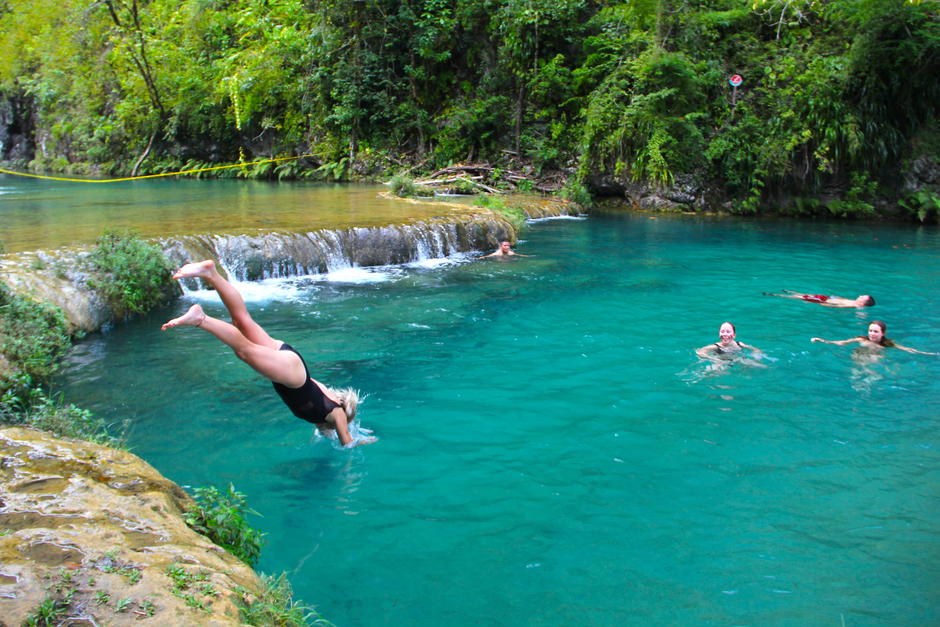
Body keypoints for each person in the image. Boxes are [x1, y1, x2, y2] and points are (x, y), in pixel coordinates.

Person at [161, 260, 376, 447]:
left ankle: (211, 273)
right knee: (245, 351)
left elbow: (326, 430)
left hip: (290, 360)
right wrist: (358, 445)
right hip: (292, 375)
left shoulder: (325, 406)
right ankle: (201, 319)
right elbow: (346, 442)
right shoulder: (337, 412)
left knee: (242, 321)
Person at [811, 320, 938, 355]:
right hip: (860, 354)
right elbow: (842, 343)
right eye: (870, 330)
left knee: (874, 361)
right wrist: (822, 340)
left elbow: (908, 349)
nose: (872, 333)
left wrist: (929, 353)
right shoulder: (861, 339)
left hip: (875, 356)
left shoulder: (887, 344)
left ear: (883, 333)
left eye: (876, 331)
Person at [696, 321, 763, 360]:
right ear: (719, 334)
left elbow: (756, 349)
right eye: (722, 331)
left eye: (728, 332)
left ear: (734, 335)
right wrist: (714, 360)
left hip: (737, 360)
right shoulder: (716, 346)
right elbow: (699, 352)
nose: (725, 334)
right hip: (721, 362)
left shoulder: (739, 344)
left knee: (760, 366)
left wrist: (756, 355)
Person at [764, 290, 875, 308]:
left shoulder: (855, 305)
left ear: (863, 302)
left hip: (824, 301)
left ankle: (774, 295)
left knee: (799, 298)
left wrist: (825, 305)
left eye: (862, 297)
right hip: (827, 298)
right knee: (806, 295)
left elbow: (839, 306)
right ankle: (788, 291)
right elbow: (842, 300)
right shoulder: (854, 301)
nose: (860, 295)